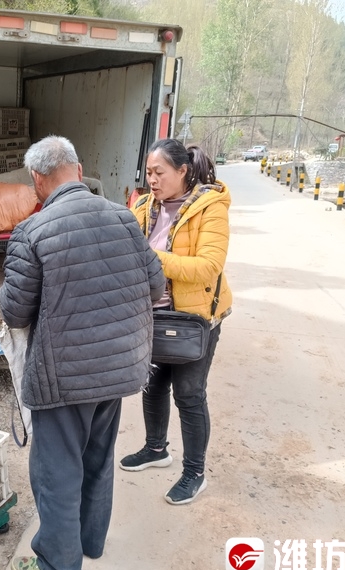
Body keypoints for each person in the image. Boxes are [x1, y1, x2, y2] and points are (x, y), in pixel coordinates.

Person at [0, 135, 165, 570]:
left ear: (37, 180)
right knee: (97, 457)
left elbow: (15, 312)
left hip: (64, 377)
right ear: (78, 169)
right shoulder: (124, 218)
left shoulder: (32, 231)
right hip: (119, 369)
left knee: (56, 470)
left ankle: (59, 566)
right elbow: (156, 286)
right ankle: (90, 542)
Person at [119, 139, 233, 506]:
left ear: (182, 171)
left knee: (189, 393)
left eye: (159, 173)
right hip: (153, 314)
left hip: (194, 318)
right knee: (152, 386)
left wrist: (153, 258)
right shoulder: (143, 206)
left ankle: (194, 473)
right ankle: (156, 449)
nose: (151, 180)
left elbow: (208, 266)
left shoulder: (210, 208)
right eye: (148, 173)